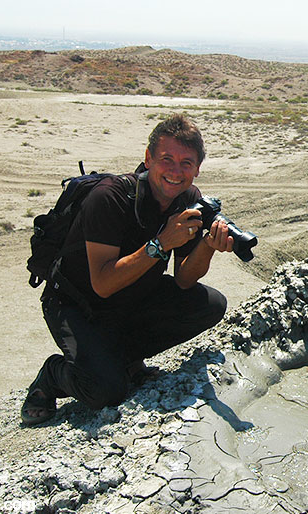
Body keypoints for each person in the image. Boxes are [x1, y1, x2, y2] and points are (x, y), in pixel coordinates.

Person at [21, 113, 232, 426]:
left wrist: (207, 247)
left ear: (198, 168)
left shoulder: (188, 200)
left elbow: (186, 279)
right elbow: (103, 284)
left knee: (210, 305)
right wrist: (160, 244)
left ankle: (124, 359)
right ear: (148, 159)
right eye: (166, 159)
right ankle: (53, 375)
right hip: (77, 304)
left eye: (186, 162)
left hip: (131, 298)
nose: (176, 171)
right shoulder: (110, 198)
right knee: (105, 390)